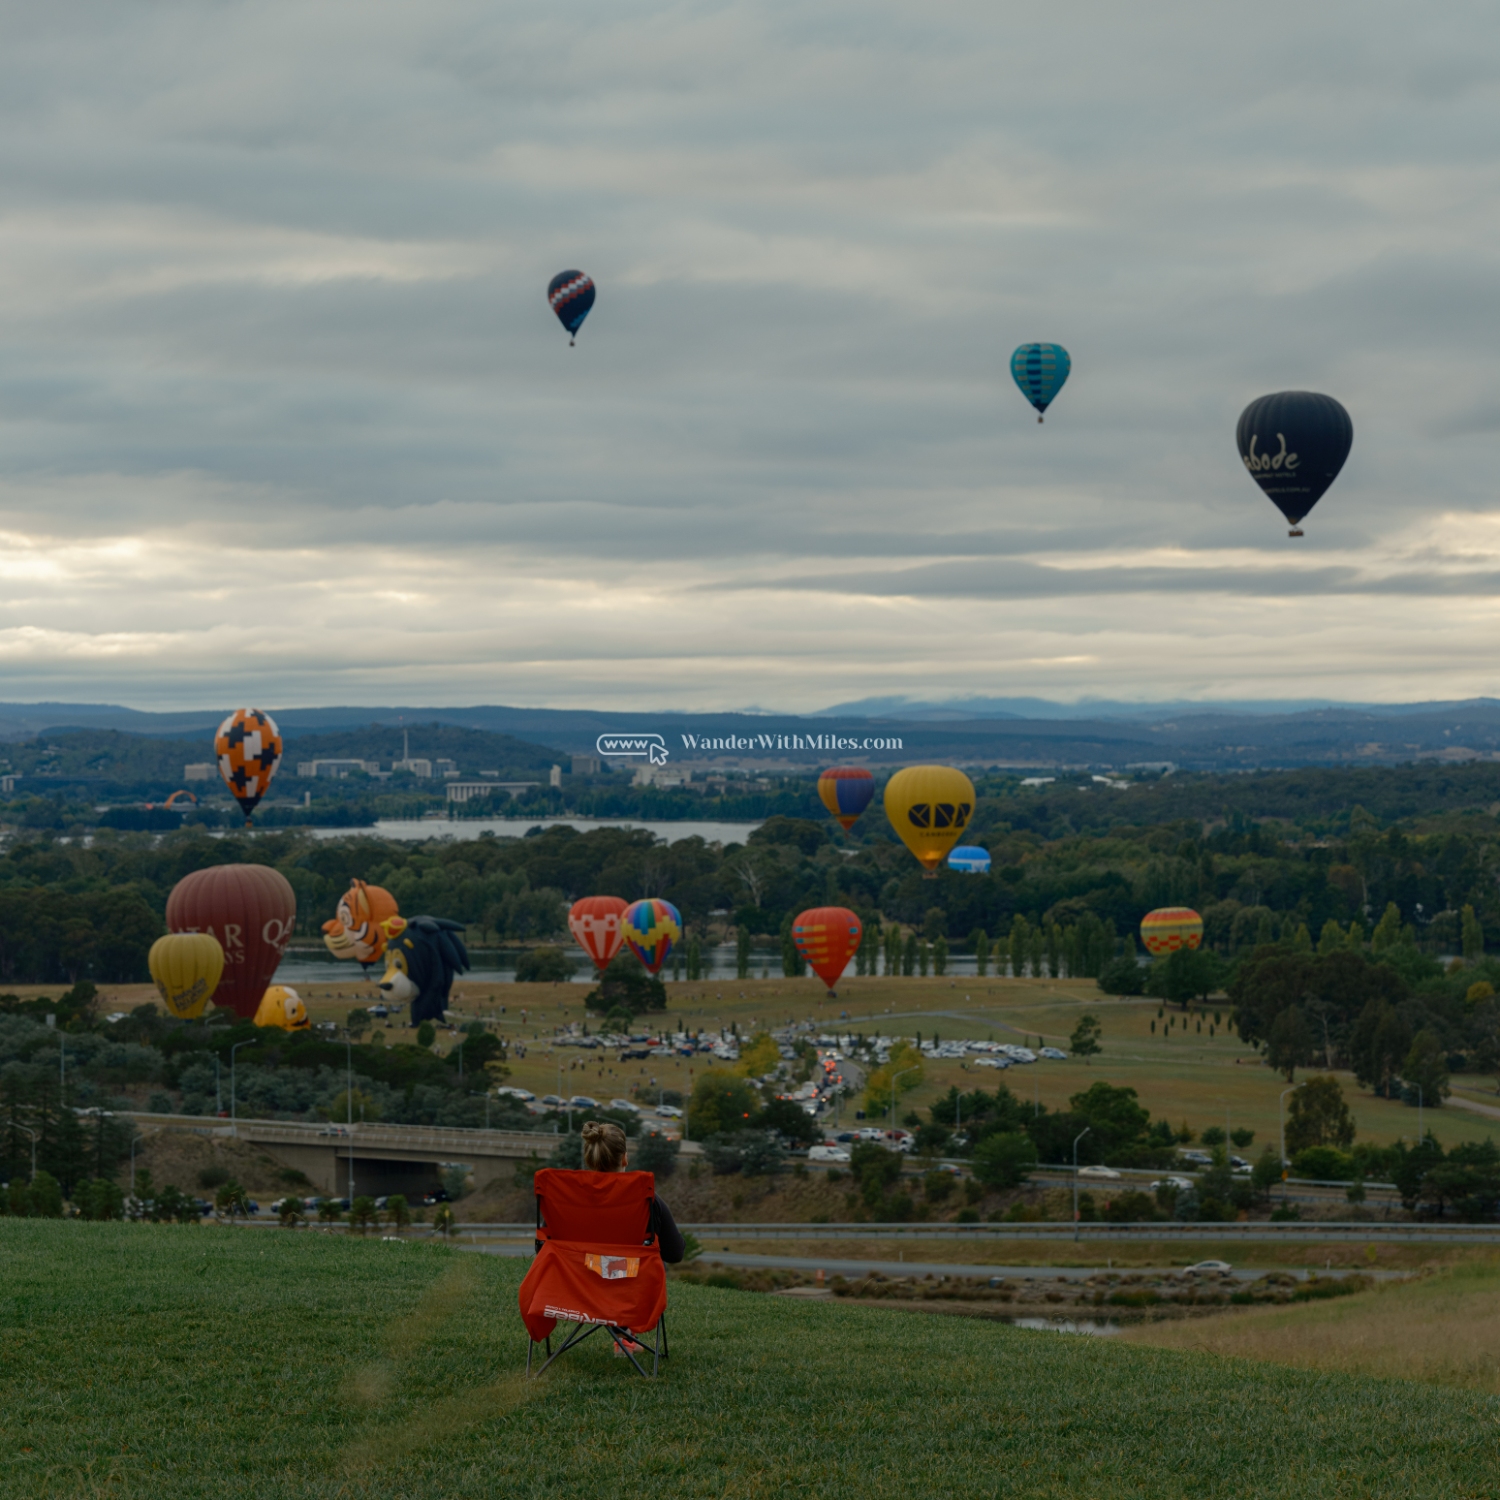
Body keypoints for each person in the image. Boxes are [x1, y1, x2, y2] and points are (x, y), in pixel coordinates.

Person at [580, 1120, 685, 1263]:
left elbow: (551, 1245)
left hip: (580, 1273)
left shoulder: (569, 1197)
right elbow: (674, 1254)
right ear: (624, 1159)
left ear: (589, 1160)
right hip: (633, 1275)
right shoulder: (647, 1199)